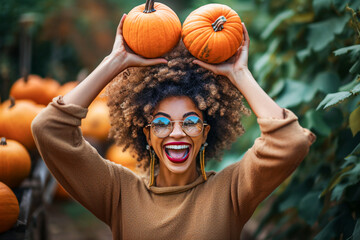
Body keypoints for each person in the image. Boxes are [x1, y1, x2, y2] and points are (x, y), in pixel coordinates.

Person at [31, 14, 316, 239]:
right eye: (162, 123)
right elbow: (49, 129)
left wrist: (239, 74)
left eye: (191, 122)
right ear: (147, 133)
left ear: (205, 132)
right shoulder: (118, 192)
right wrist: (114, 62)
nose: (177, 133)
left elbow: (290, 142)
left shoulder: (231, 192)